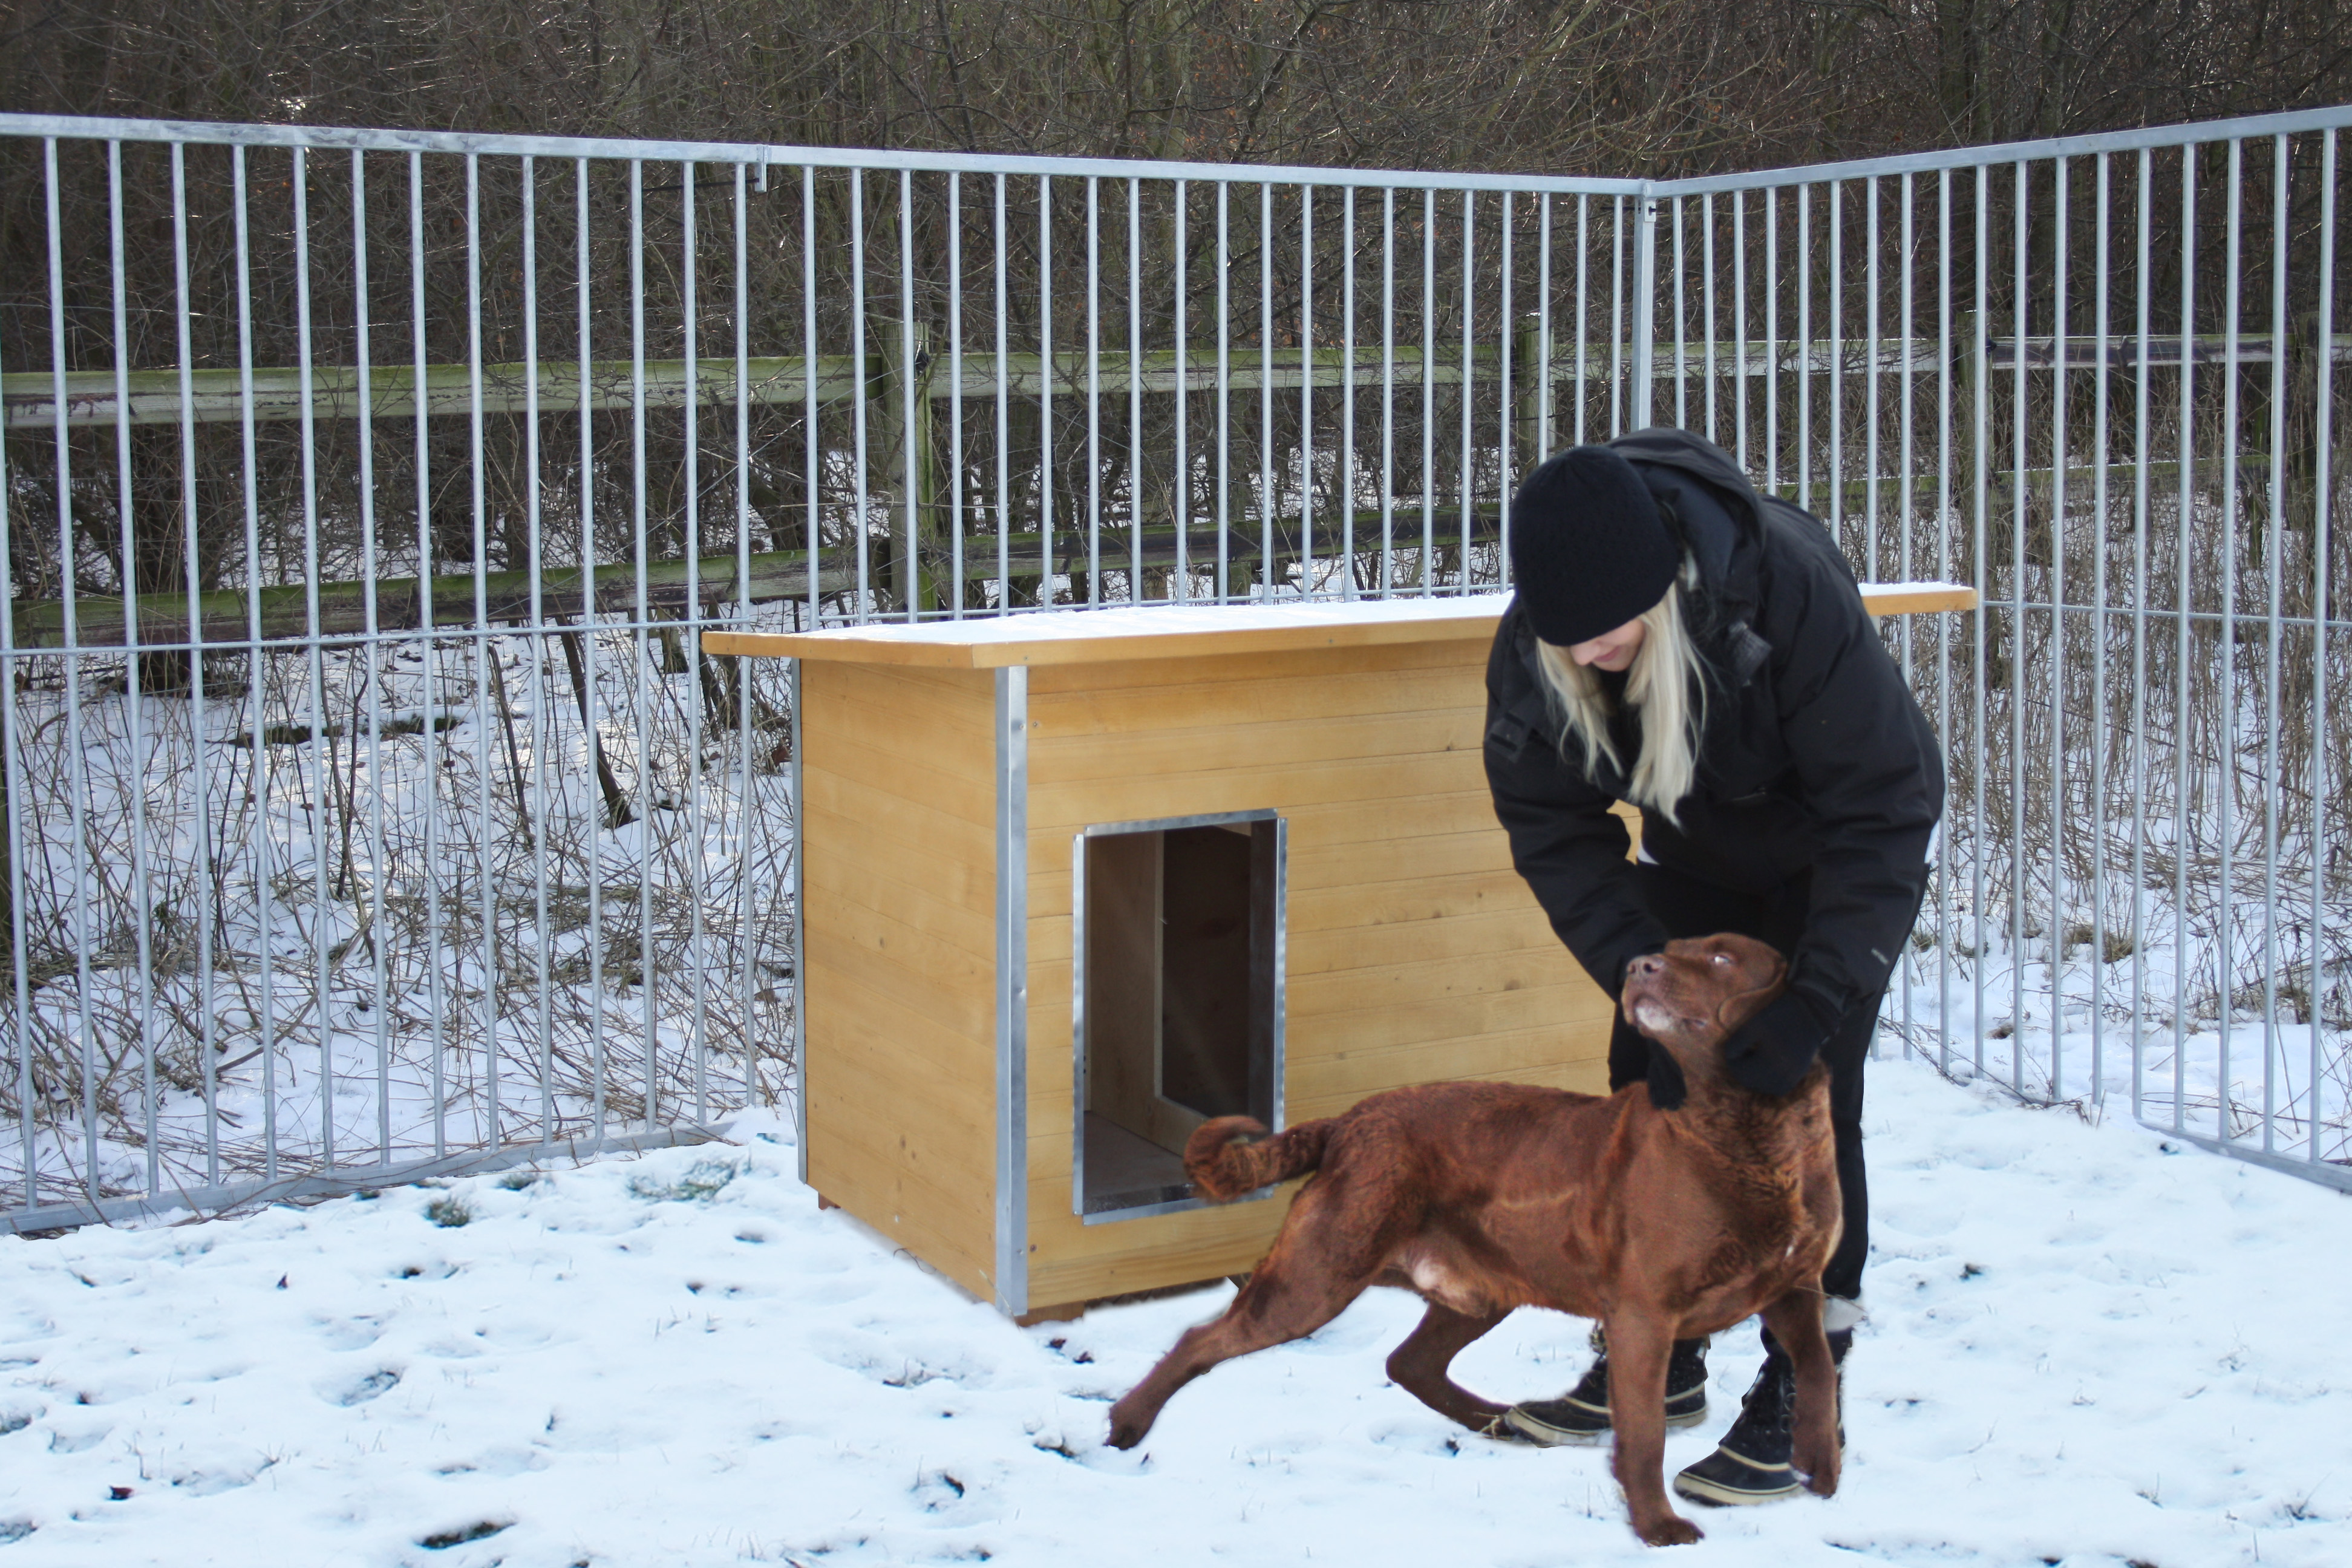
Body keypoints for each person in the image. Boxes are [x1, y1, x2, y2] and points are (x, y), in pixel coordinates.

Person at [1481, 428, 1944, 1507]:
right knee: (1647, 1085)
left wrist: (1817, 997)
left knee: (1805, 1101)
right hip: (1697, 846)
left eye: (1611, 637)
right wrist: (1636, 971)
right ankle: (1659, 1352)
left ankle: (1801, 1387)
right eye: (1569, 644)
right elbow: (1551, 825)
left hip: (1836, 852)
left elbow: (1881, 810)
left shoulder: (1779, 590)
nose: (1591, 657)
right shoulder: (1541, 648)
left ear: (1667, 594)